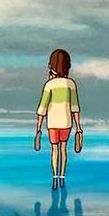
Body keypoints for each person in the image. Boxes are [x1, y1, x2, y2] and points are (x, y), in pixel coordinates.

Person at [35, 48, 83, 190]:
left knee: (54, 150)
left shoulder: (49, 85)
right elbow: (75, 107)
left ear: (52, 66)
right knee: (63, 149)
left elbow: (42, 109)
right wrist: (79, 127)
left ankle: (55, 177)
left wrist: (38, 129)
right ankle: (62, 177)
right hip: (66, 122)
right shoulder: (71, 84)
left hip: (53, 123)